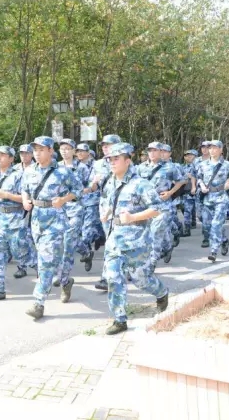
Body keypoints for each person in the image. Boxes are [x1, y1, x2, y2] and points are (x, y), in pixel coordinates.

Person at [99, 143, 169, 335]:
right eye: (109, 159)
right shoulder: (109, 182)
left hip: (137, 240)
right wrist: (106, 212)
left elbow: (157, 209)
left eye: (116, 159)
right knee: (113, 277)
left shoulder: (141, 184)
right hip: (115, 240)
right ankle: (119, 319)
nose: (112, 162)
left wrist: (133, 217)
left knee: (141, 280)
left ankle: (161, 293)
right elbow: (106, 203)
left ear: (127, 161)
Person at [22, 136, 80, 319]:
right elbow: (24, 188)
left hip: (55, 220)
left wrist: (63, 199)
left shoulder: (63, 172)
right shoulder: (29, 171)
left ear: (50, 151)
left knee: (46, 261)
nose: (37, 154)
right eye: (35, 150)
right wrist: (25, 200)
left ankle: (38, 303)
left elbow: (78, 190)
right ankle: (65, 280)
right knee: (44, 259)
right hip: (36, 219)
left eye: (41, 150)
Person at [0, 146, 29, 301]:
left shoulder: (18, 175)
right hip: (0, 219)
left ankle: (54, 276)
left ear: (11, 159)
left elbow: (26, 199)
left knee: (22, 254)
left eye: (3, 156)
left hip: (16, 219)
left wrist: (7, 195)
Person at [137, 142, 184, 269]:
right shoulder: (141, 168)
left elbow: (181, 181)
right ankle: (168, 247)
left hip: (163, 206)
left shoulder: (170, 167)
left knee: (155, 232)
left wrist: (170, 192)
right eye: (150, 150)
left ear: (160, 152)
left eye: (155, 150)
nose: (152, 153)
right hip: (145, 206)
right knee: (147, 233)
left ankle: (152, 261)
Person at [55, 139, 88, 288]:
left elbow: (87, 188)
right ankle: (86, 251)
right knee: (62, 240)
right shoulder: (55, 167)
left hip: (76, 208)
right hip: (59, 209)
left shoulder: (82, 168)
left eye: (68, 148)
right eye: (62, 148)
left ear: (74, 151)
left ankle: (64, 276)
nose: (65, 151)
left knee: (68, 241)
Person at [93, 134, 122, 291]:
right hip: (104, 205)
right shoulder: (97, 164)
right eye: (103, 145)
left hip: (121, 206)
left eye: (108, 144)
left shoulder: (124, 163)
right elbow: (94, 185)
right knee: (111, 241)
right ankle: (109, 276)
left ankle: (109, 276)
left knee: (116, 242)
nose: (105, 147)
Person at [198, 140, 229, 262]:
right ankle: (224, 240)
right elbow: (199, 178)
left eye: (215, 148)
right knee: (207, 226)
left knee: (216, 224)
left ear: (221, 150)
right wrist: (201, 186)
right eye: (210, 148)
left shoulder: (227, 164)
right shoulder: (203, 164)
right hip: (208, 198)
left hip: (221, 198)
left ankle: (213, 250)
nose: (212, 150)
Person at [76, 143, 101, 270]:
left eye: (82, 151)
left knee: (87, 230)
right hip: (77, 202)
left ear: (88, 152)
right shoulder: (75, 165)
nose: (79, 153)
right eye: (77, 151)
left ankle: (89, 247)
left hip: (93, 201)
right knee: (76, 232)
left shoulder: (97, 165)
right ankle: (87, 251)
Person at [13, 144, 38, 278]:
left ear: (32, 154)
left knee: (33, 237)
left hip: (35, 207)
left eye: (27, 153)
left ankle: (41, 266)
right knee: (22, 237)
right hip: (18, 206)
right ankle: (22, 266)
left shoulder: (37, 168)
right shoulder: (15, 169)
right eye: (22, 153)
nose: (24, 156)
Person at [181, 150, 198, 237]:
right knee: (186, 209)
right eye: (187, 155)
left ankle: (194, 221)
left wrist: (192, 177)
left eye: (191, 155)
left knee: (198, 211)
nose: (188, 157)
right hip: (187, 191)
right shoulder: (182, 167)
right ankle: (187, 228)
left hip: (199, 191)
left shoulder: (199, 166)